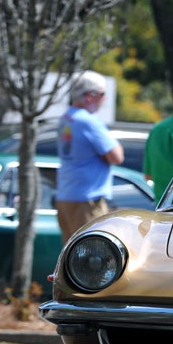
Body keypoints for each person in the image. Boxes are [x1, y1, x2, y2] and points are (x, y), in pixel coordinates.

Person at [55, 70, 124, 242]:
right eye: (102, 94)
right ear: (89, 96)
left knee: (71, 254)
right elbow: (117, 156)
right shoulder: (88, 121)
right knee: (92, 256)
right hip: (87, 199)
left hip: (66, 195)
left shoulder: (66, 117)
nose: (104, 99)